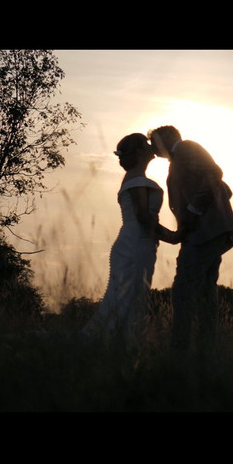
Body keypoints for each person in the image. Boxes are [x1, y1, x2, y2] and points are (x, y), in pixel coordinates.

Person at [148, 125, 233, 358]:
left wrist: (194, 211)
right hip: (206, 231)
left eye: (154, 142)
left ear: (166, 138)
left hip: (204, 232)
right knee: (206, 291)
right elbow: (223, 189)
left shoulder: (187, 148)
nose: (152, 149)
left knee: (184, 289)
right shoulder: (178, 158)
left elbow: (216, 174)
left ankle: (180, 352)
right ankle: (204, 353)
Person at [82, 133, 179, 345]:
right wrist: (173, 237)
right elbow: (143, 217)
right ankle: (118, 344)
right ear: (139, 152)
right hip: (135, 244)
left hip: (136, 243)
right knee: (129, 295)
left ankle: (116, 343)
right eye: (146, 144)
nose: (150, 147)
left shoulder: (134, 178)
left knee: (130, 294)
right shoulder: (137, 181)